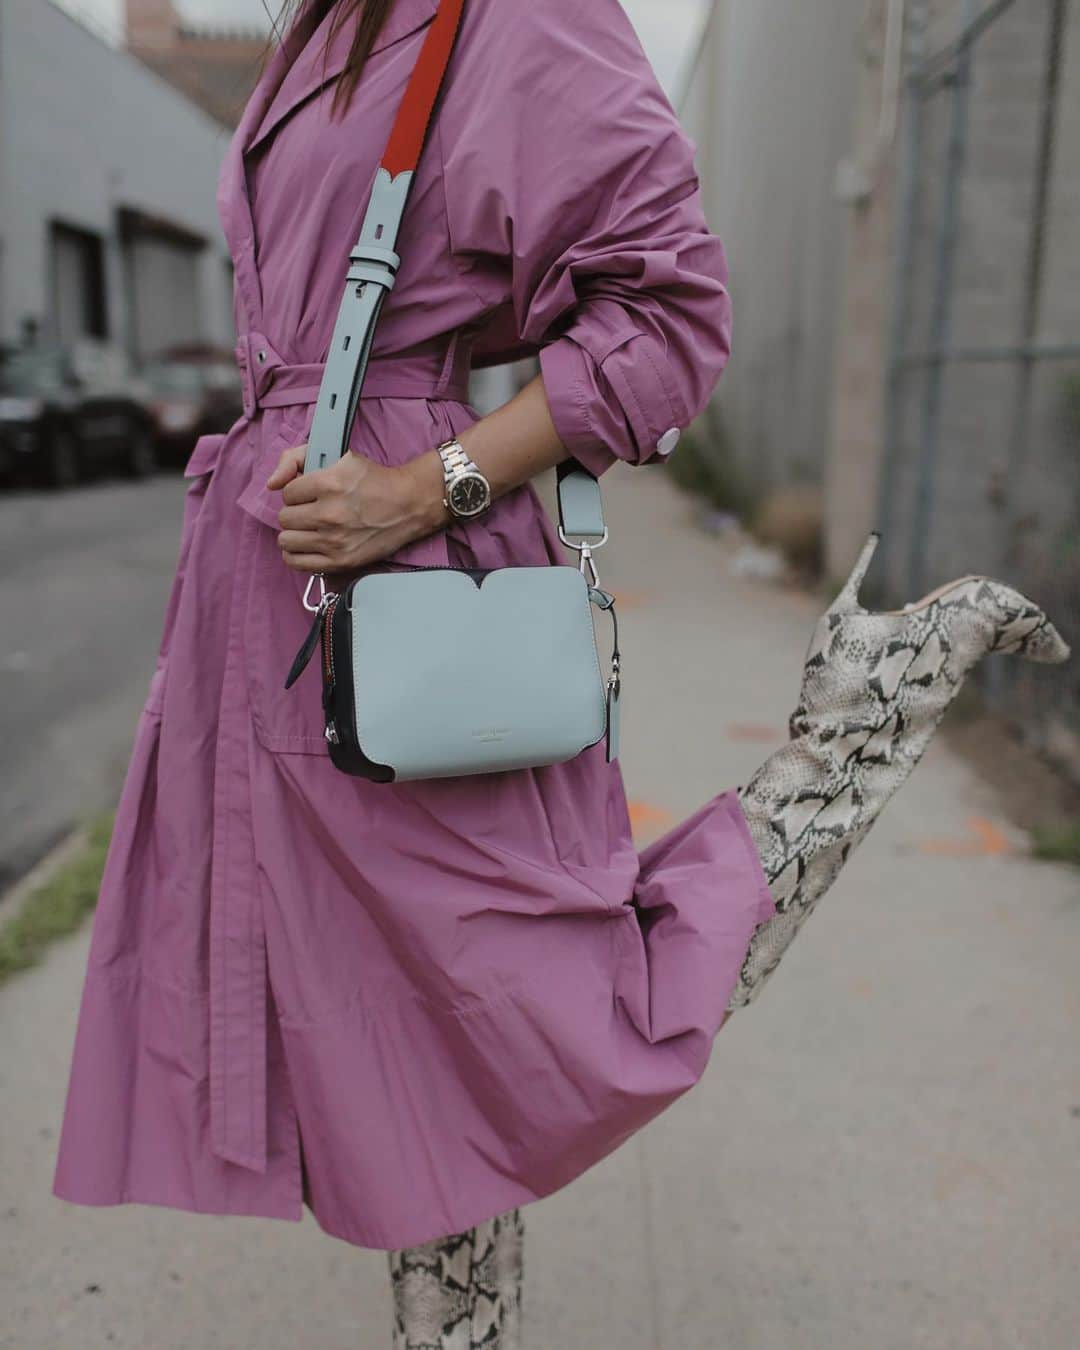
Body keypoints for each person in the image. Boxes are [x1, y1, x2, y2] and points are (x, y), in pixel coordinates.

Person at [51, 1, 1069, 1345]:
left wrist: (426, 486)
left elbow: (669, 310)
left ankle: (853, 737)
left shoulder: (513, 14)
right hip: (276, 599)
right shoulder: (322, 24)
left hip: (399, 590)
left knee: (543, 1007)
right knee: (393, 1051)